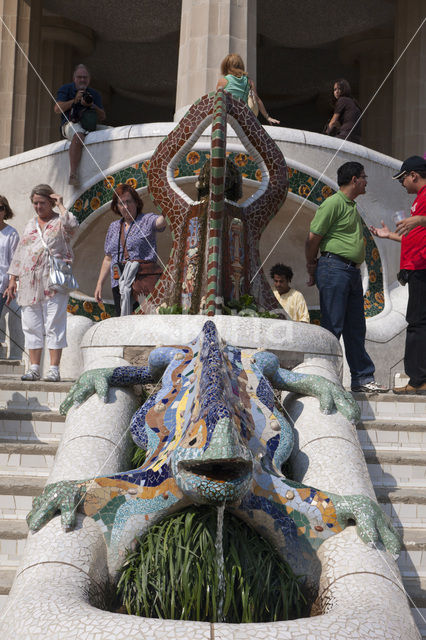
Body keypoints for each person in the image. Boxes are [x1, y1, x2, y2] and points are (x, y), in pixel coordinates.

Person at [305, 161, 386, 393]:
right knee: (333, 325)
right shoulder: (333, 203)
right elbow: (312, 238)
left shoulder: (351, 205)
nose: (366, 180)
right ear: (354, 180)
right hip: (334, 268)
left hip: (350, 271)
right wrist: (311, 264)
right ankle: (327, 377)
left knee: (355, 326)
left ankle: (361, 377)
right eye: (363, 176)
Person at [4, 185, 78, 382]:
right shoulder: (29, 225)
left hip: (53, 281)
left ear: (51, 202)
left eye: (42, 203)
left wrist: (61, 205)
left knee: (54, 324)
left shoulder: (60, 221)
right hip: (29, 282)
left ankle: (54, 369)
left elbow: (72, 225)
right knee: (31, 325)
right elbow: (20, 252)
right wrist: (13, 279)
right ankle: (34, 368)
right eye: (35, 203)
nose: (38, 206)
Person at [370, 156, 426, 395]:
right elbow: (414, 238)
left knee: (417, 323)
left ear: (414, 175)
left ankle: (418, 378)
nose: (402, 183)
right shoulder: (418, 200)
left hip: (422, 269)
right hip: (415, 269)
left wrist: (421, 218)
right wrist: (388, 235)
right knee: (416, 322)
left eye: (403, 178)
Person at [94, 184, 166, 317]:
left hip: (142, 283)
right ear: (116, 207)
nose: (126, 207)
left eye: (129, 201)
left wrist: (167, 204)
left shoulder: (146, 220)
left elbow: (161, 222)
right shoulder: (114, 227)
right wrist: (99, 284)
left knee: (144, 324)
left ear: (136, 202)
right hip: (119, 285)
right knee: (123, 326)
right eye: (121, 203)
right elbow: (108, 258)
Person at [55, 64, 107, 186]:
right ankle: (73, 174)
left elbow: (103, 116)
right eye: (79, 77)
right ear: (74, 78)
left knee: (113, 132)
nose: (82, 80)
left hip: (90, 125)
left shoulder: (94, 94)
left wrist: (92, 105)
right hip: (71, 124)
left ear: (89, 79)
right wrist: (74, 100)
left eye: (85, 77)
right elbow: (57, 109)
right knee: (78, 135)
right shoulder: (66, 89)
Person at [216, 53, 280, 125]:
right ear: (241, 66)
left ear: (225, 66)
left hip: (227, 117)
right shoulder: (249, 81)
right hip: (243, 118)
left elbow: (217, 101)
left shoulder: (223, 81)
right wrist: (268, 117)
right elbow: (257, 100)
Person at [325, 78, 361, 144]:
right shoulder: (353, 102)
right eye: (335, 89)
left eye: (339, 89)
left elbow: (333, 121)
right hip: (356, 139)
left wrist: (325, 134)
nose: (336, 91)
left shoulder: (342, 100)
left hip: (345, 136)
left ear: (344, 89)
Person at [0, 196, 19, 320]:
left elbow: (15, 260)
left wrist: (12, 282)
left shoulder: (11, 234)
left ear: (5, 211)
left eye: (0, 208)